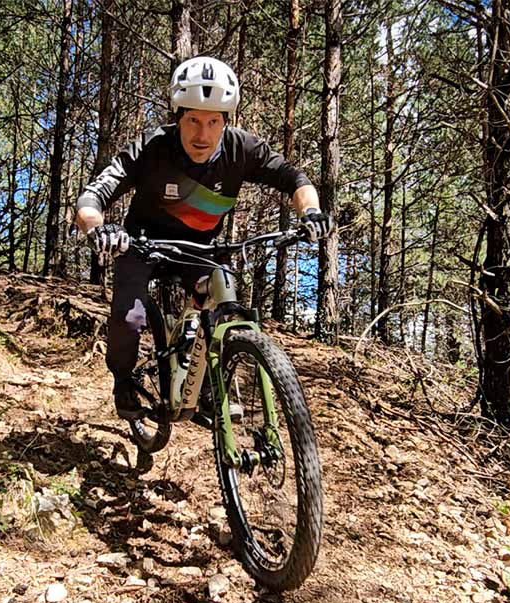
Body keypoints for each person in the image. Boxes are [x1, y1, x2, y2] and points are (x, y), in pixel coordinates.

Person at [75, 56, 333, 419]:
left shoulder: (242, 149)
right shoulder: (153, 148)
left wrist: (310, 213)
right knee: (129, 318)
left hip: (200, 248)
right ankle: (123, 383)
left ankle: (211, 388)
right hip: (141, 245)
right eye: (193, 119)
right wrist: (98, 227)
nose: (202, 133)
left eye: (213, 121)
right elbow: (93, 196)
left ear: (226, 121)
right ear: (178, 116)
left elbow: (295, 179)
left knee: (224, 299)